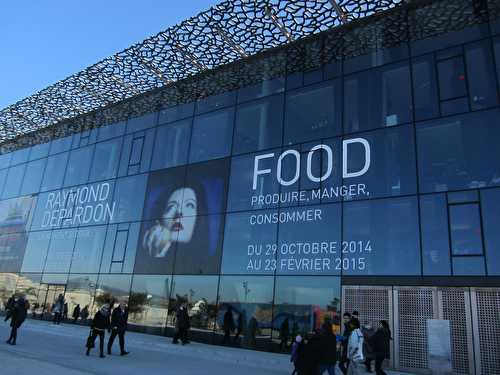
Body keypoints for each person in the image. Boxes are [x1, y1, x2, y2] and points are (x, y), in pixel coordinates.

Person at [138, 179, 214, 275]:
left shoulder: (209, 266)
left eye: (189, 205)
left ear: (199, 219)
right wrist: (156, 256)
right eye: (171, 207)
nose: (179, 213)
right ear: (159, 220)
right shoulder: (143, 262)